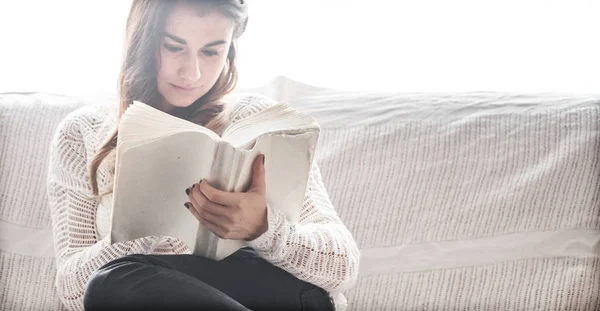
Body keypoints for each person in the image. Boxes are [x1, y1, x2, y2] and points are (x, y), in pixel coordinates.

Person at [46, 1, 360, 310]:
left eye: (211, 51)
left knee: (114, 281)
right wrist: (146, 232)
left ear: (230, 51)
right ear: (142, 41)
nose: (191, 72)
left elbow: (343, 267)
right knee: (111, 284)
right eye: (173, 47)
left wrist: (263, 227)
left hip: (280, 294)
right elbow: (74, 291)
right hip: (146, 290)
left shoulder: (258, 122)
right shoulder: (81, 134)